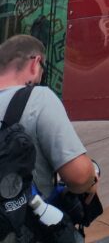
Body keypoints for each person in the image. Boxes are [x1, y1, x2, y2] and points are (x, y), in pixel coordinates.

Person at [0, 35, 101, 220]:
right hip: (27, 230)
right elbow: (78, 177)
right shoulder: (38, 98)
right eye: (42, 70)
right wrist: (91, 177)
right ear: (35, 63)